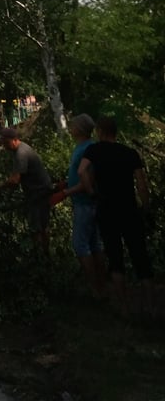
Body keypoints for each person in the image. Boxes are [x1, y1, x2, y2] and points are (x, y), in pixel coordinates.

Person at [78, 116, 154, 314]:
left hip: (106, 209)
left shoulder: (94, 151)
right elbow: (141, 183)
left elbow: (82, 171)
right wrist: (146, 207)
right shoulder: (130, 153)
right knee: (140, 255)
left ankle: (124, 307)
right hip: (129, 209)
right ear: (115, 131)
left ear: (100, 132)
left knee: (115, 256)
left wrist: (91, 192)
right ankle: (149, 306)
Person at [60, 114, 107, 295]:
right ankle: (102, 285)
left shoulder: (87, 149)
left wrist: (67, 192)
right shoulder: (83, 147)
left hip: (85, 203)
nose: (70, 128)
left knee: (81, 245)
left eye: (73, 125)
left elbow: (88, 179)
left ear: (79, 129)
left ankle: (95, 287)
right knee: (95, 244)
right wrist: (66, 184)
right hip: (86, 201)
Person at [0, 126, 53, 253]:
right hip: (39, 190)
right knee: (42, 224)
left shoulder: (21, 153)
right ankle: (44, 254)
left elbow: (15, 180)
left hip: (39, 192)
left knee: (37, 227)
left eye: (6, 143)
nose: (4, 146)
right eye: (3, 143)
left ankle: (40, 254)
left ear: (14, 139)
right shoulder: (21, 149)